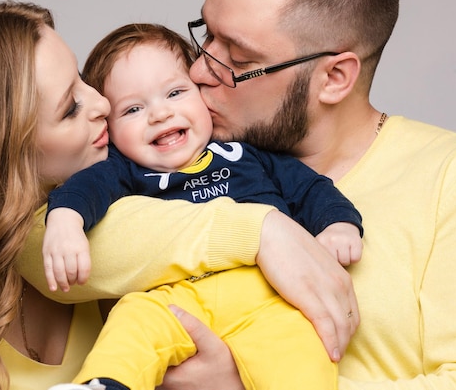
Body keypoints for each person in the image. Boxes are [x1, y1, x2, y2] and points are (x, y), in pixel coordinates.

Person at [0, 0, 353, 390]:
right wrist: (260, 229)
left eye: (83, 79)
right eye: (69, 107)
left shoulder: (118, 237)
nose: (103, 103)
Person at [154, 0, 456, 389]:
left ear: (334, 78)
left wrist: (252, 382)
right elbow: (64, 249)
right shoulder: (175, 151)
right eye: (206, 34)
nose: (197, 70)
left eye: (238, 59)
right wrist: (258, 233)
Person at [42, 23, 363, 390]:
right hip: (178, 298)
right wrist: (65, 220)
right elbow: (85, 189)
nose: (160, 114)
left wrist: (339, 224)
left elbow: (310, 189)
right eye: (132, 109)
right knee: (134, 320)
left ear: (204, 97)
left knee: (302, 351)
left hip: (269, 298)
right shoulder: (123, 170)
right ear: (110, 130)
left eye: (176, 92)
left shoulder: (246, 155)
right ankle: (104, 384)